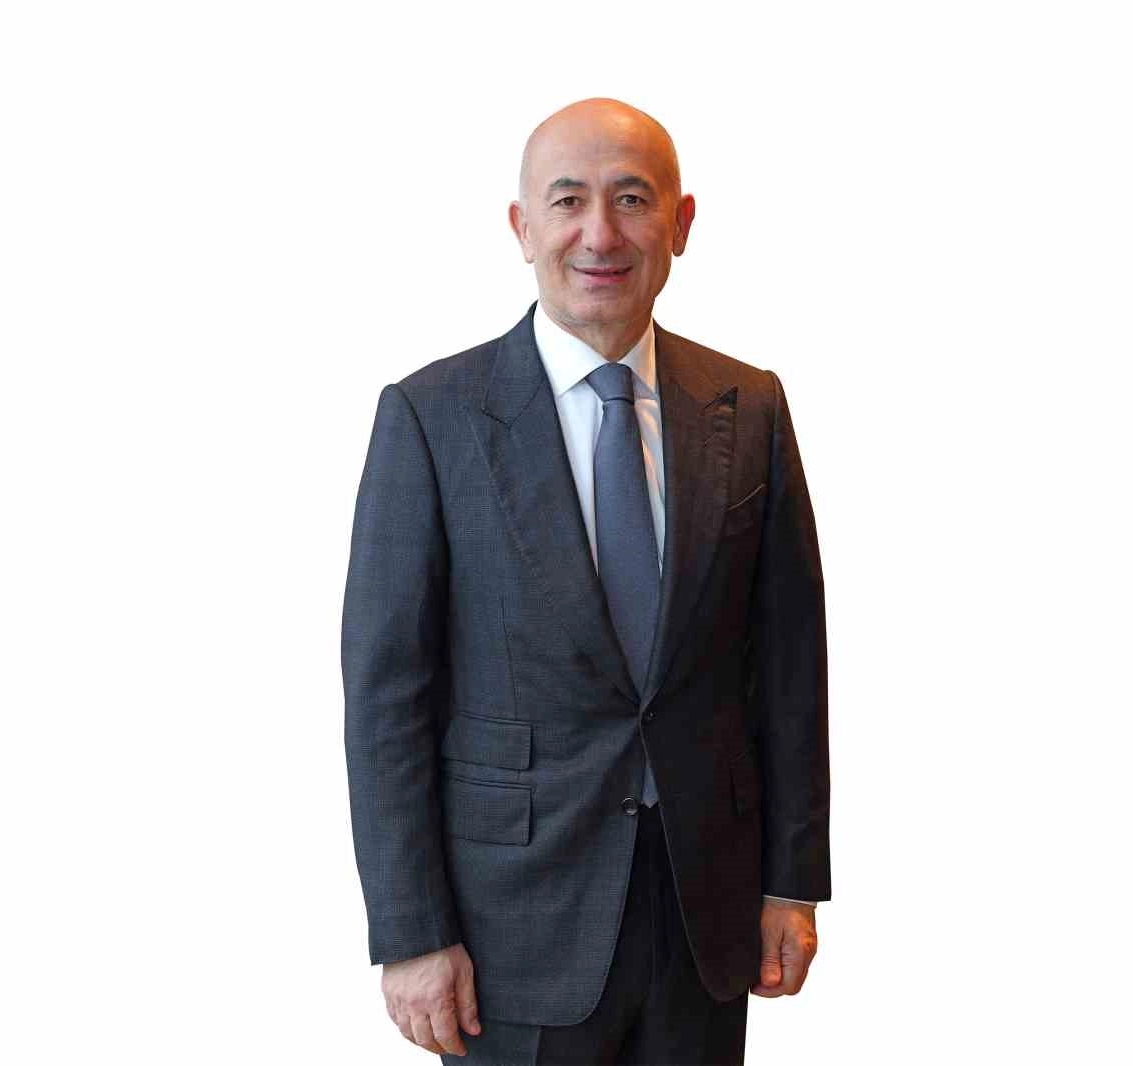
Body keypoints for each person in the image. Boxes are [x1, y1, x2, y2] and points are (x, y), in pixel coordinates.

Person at [342, 98, 829, 1065]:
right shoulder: (432, 418)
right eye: (567, 201)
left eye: (631, 200)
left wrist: (792, 880)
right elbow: (388, 697)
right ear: (522, 228)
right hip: (507, 930)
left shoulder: (749, 407)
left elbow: (788, 666)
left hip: (705, 915)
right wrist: (411, 932)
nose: (599, 234)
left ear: (681, 224)